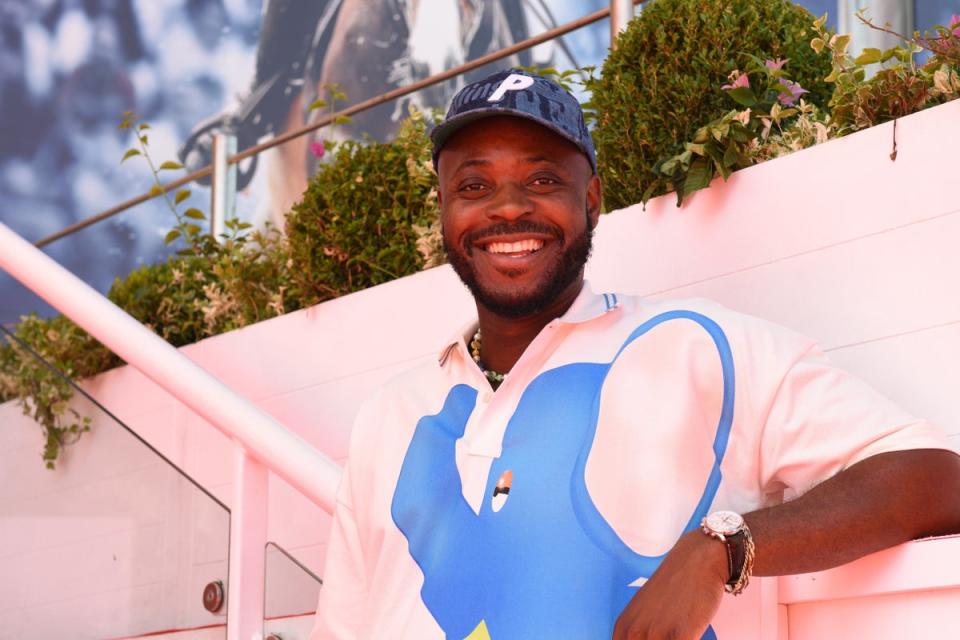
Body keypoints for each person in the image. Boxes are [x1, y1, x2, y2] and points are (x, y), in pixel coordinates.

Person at [309, 69, 960, 640]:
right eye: (474, 187)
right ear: (448, 212)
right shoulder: (390, 414)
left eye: (541, 178)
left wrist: (723, 546)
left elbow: (936, 478)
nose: (508, 208)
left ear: (590, 200)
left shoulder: (696, 348)